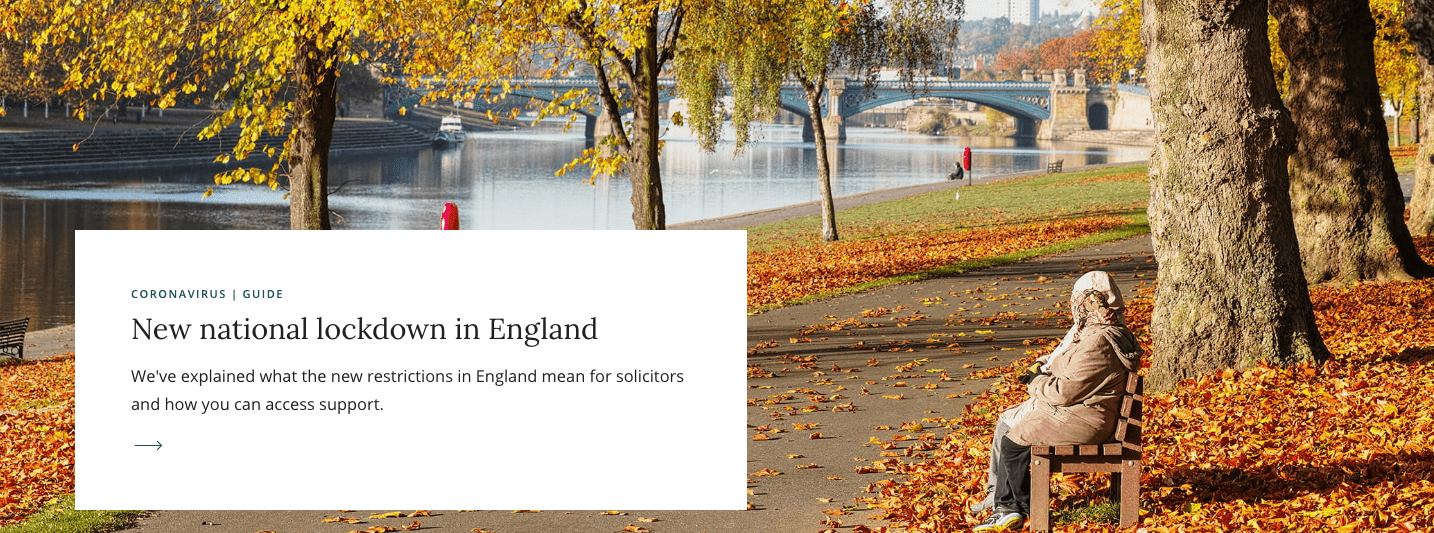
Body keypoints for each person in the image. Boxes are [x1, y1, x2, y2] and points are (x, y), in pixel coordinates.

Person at [972, 271, 1142, 532]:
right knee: (1013, 432)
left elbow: (1065, 392)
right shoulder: (1101, 333)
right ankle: (1006, 505)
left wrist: (1034, 382)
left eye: (1077, 304)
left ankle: (1014, 507)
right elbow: (1077, 375)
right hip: (1087, 411)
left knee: (1013, 442)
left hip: (1084, 419)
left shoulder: (1097, 340)